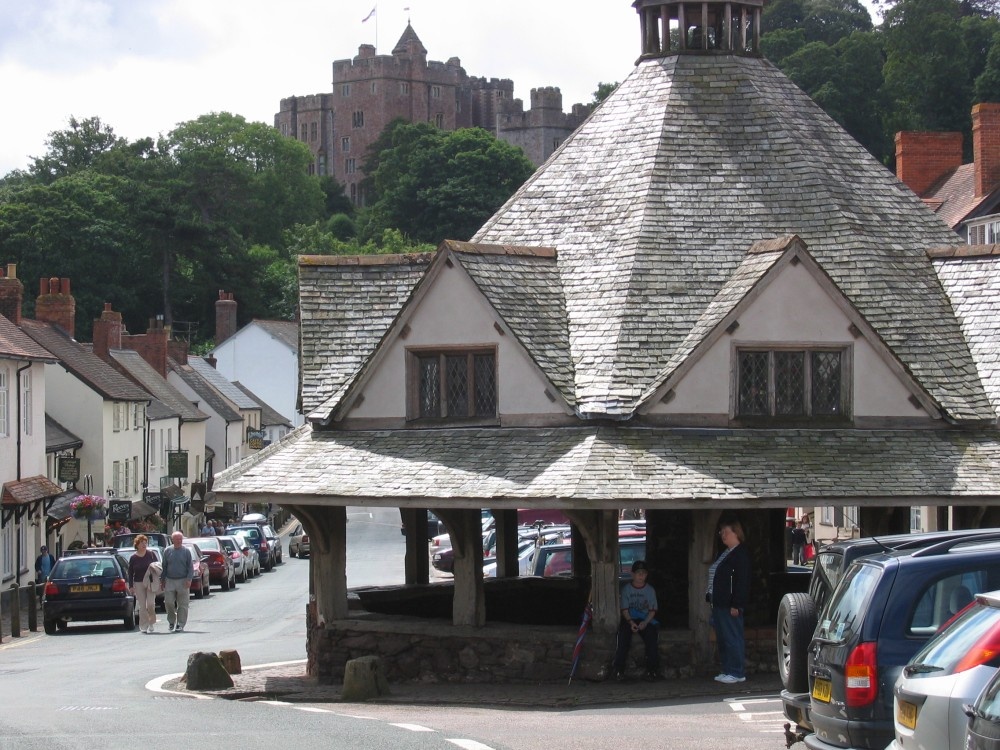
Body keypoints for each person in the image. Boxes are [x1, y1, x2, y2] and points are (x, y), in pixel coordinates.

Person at [707, 520, 751, 684]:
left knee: (733, 637)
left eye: (726, 532)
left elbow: (742, 582)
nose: (723, 535)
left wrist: (736, 604)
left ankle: (736, 672)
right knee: (723, 639)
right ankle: (727, 669)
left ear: (736, 533)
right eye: (721, 532)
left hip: (730, 604)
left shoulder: (740, 555)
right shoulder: (725, 553)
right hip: (718, 602)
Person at [612, 560, 661, 681]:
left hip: (645, 619)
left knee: (652, 638)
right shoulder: (626, 589)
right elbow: (624, 609)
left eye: (643, 573)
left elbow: (652, 610)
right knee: (623, 638)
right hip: (629, 619)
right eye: (638, 573)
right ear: (632, 574)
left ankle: (652, 671)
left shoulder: (650, 590)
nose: (641, 576)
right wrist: (631, 622)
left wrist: (646, 622)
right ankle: (618, 670)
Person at [161, 531, 195, 633]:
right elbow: (164, 566)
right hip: (170, 580)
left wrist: (189, 579)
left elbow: (190, 567)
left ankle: (180, 624)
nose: (179, 541)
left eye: (181, 539)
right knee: (168, 602)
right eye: (177, 539)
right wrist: (162, 580)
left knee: (183, 604)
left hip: (183, 580)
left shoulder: (186, 551)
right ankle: (171, 621)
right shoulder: (167, 551)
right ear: (173, 540)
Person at [127, 534, 159, 634]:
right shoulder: (133, 558)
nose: (144, 545)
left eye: (145, 543)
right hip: (138, 583)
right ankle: (144, 625)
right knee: (142, 606)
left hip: (150, 582)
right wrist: (131, 586)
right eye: (142, 543)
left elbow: (158, 566)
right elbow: (130, 572)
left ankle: (151, 622)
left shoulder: (151, 554)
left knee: (150, 604)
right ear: (137, 545)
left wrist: (154, 569)